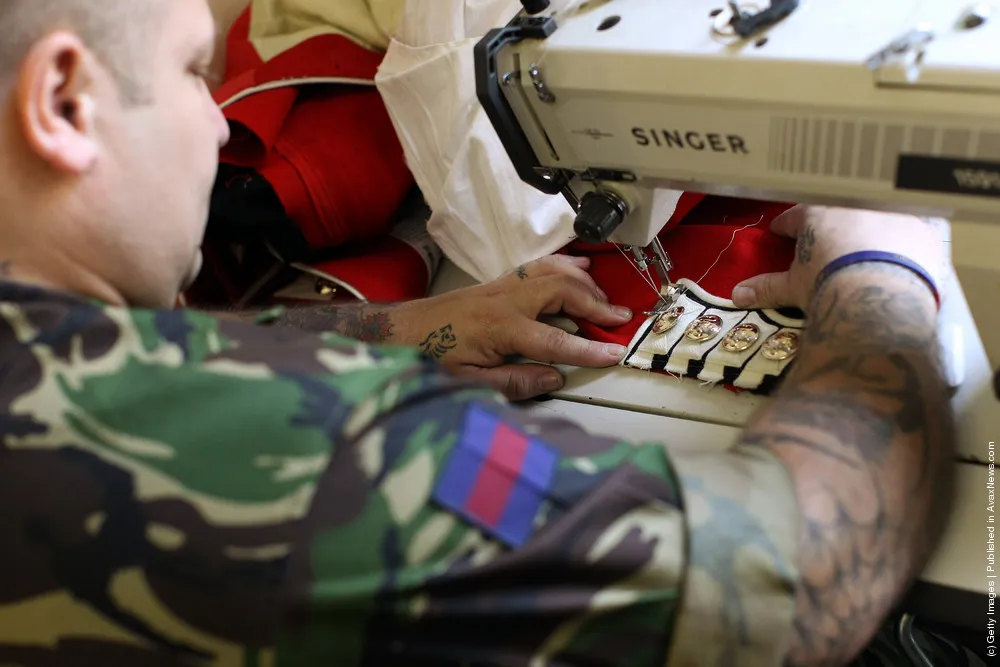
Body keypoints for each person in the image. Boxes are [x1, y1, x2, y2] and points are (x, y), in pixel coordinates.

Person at [0, 0, 962, 666]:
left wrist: (385, 330)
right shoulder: (322, 451)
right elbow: (794, 576)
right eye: (191, 75)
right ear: (64, 103)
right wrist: (881, 268)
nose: (219, 127)